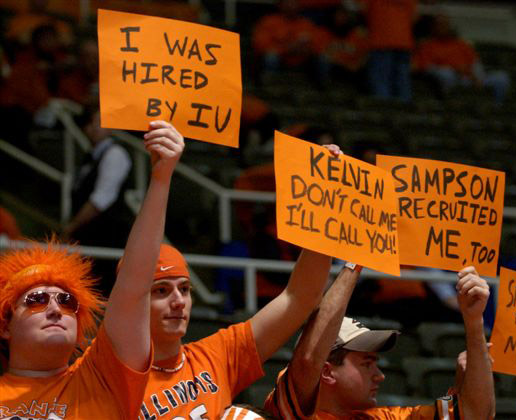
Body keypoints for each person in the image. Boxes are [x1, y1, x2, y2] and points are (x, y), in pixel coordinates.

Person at [137, 145, 342, 419]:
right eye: (162, 290)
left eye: (184, 289)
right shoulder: (105, 374)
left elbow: (300, 297)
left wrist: (323, 206)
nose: (178, 301)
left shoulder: (216, 355)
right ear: (133, 300)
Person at [0, 120, 184, 418]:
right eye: (36, 299)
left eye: (67, 301)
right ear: (6, 326)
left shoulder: (104, 378)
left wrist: (161, 179)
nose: (55, 309)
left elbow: (134, 287)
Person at [264, 265, 495, 419]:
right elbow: (308, 360)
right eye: (367, 363)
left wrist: (474, 322)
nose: (380, 375)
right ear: (326, 372)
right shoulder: (288, 410)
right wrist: (356, 261)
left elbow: (474, 415)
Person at [62, 105, 133, 296]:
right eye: (91, 123)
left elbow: (102, 199)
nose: (95, 128)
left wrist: (71, 226)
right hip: (88, 238)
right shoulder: (90, 157)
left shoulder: (115, 154)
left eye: (101, 122)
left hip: (107, 238)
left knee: (103, 294)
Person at [413, 14, 510, 103]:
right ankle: (449, 105)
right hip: (450, 78)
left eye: (446, 24)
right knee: (446, 74)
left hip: (469, 78)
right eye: (440, 24)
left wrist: (476, 77)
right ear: (434, 27)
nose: (443, 27)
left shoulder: (462, 45)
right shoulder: (427, 46)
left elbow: (475, 64)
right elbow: (426, 67)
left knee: (502, 77)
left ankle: (497, 107)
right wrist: (454, 69)